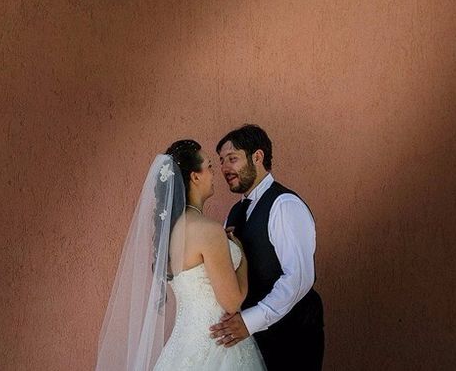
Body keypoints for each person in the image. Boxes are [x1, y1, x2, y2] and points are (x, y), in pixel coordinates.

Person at [96, 140, 266, 370]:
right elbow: (232, 302)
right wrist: (242, 257)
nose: (214, 173)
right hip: (218, 343)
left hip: (182, 345)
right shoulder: (208, 230)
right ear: (195, 177)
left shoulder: (172, 233)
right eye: (209, 166)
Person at [209, 125, 324, 371]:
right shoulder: (234, 212)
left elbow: (299, 278)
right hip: (253, 340)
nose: (225, 169)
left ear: (257, 157)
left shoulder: (285, 204)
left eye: (232, 159)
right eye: (221, 161)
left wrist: (250, 321)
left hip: (293, 337)